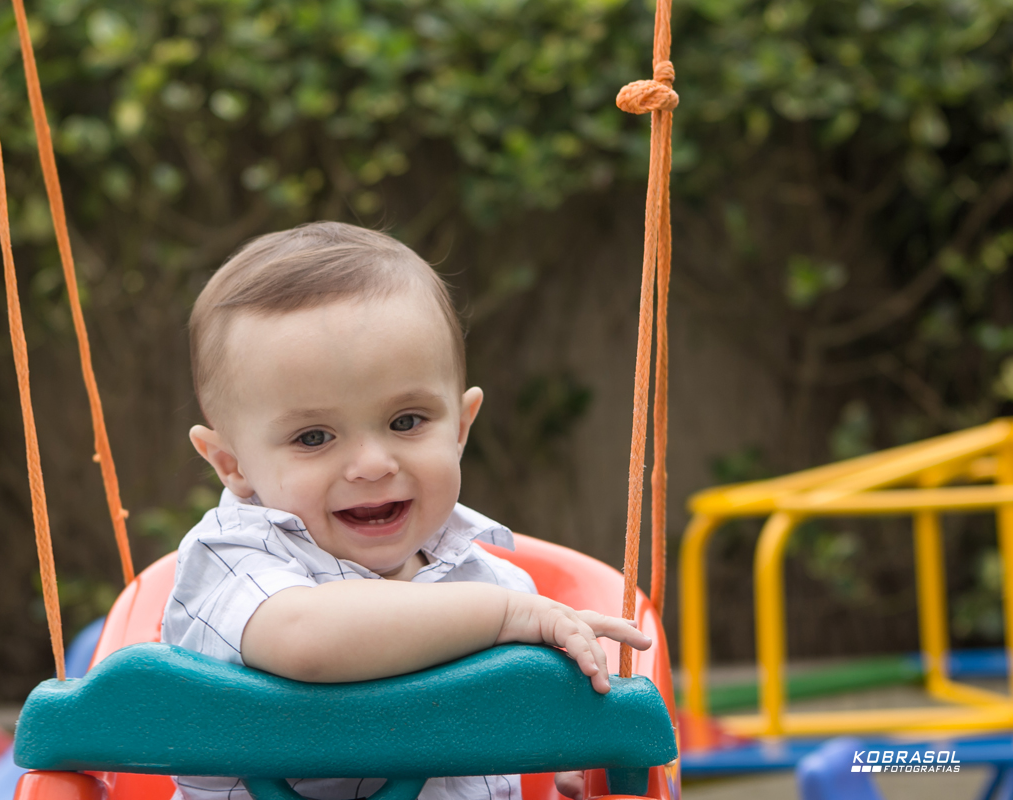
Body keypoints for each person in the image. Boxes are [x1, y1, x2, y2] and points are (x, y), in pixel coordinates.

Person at [162, 221, 651, 800]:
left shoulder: (493, 581)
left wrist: (567, 744)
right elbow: (306, 639)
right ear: (232, 463)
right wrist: (502, 619)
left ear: (462, 426)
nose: (371, 463)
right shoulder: (233, 556)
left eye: (406, 422)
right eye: (314, 437)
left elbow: (537, 713)